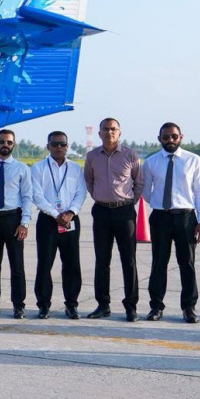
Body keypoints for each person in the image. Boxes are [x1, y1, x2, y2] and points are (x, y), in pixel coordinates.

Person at [141, 122, 200, 323]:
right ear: (159, 139)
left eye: (174, 136)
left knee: (187, 263)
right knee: (159, 263)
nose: (170, 140)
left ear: (181, 137)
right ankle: (156, 306)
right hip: (160, 217)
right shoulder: (151, 162)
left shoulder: (193, 160)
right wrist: (160, 203)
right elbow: (145, 191)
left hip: (186, 218)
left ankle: (189, 308)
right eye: (165, 137)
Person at [83, 117, 144, 321]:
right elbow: (89, 181)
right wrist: (100, 197)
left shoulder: (130, 155)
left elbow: (139, 182)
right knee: (102, 260)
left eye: (113, 129)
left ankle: (131, 306)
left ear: (119, 132)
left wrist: (129, 202)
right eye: (105, 129)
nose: (109, 132)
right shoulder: (92, 156)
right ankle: (103, 305)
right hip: (101, 212)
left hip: (124, 212)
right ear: (99, 133)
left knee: (129, 260)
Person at [30, 131, 88, 319]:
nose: (59, 147)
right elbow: (37, 196)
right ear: (48, 146)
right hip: (48, 221)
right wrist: (56, 214)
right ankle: (43, 305)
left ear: (67, 146)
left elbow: (81, 192)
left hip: (70, 220)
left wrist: (70, 212)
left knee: (72, 264)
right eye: (54, 144)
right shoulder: (38, 168)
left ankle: (71, 304)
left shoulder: (75, 168)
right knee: (45, 264)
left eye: (62, 144)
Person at [0, 129, 33, 319]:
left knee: (17, 266)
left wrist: (24, 223)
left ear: (14, 145)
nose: (5, 145)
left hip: (13, 219)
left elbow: (27, 197)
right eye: (2, 141)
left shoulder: (22, 169)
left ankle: (18, 305)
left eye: (9, 142)